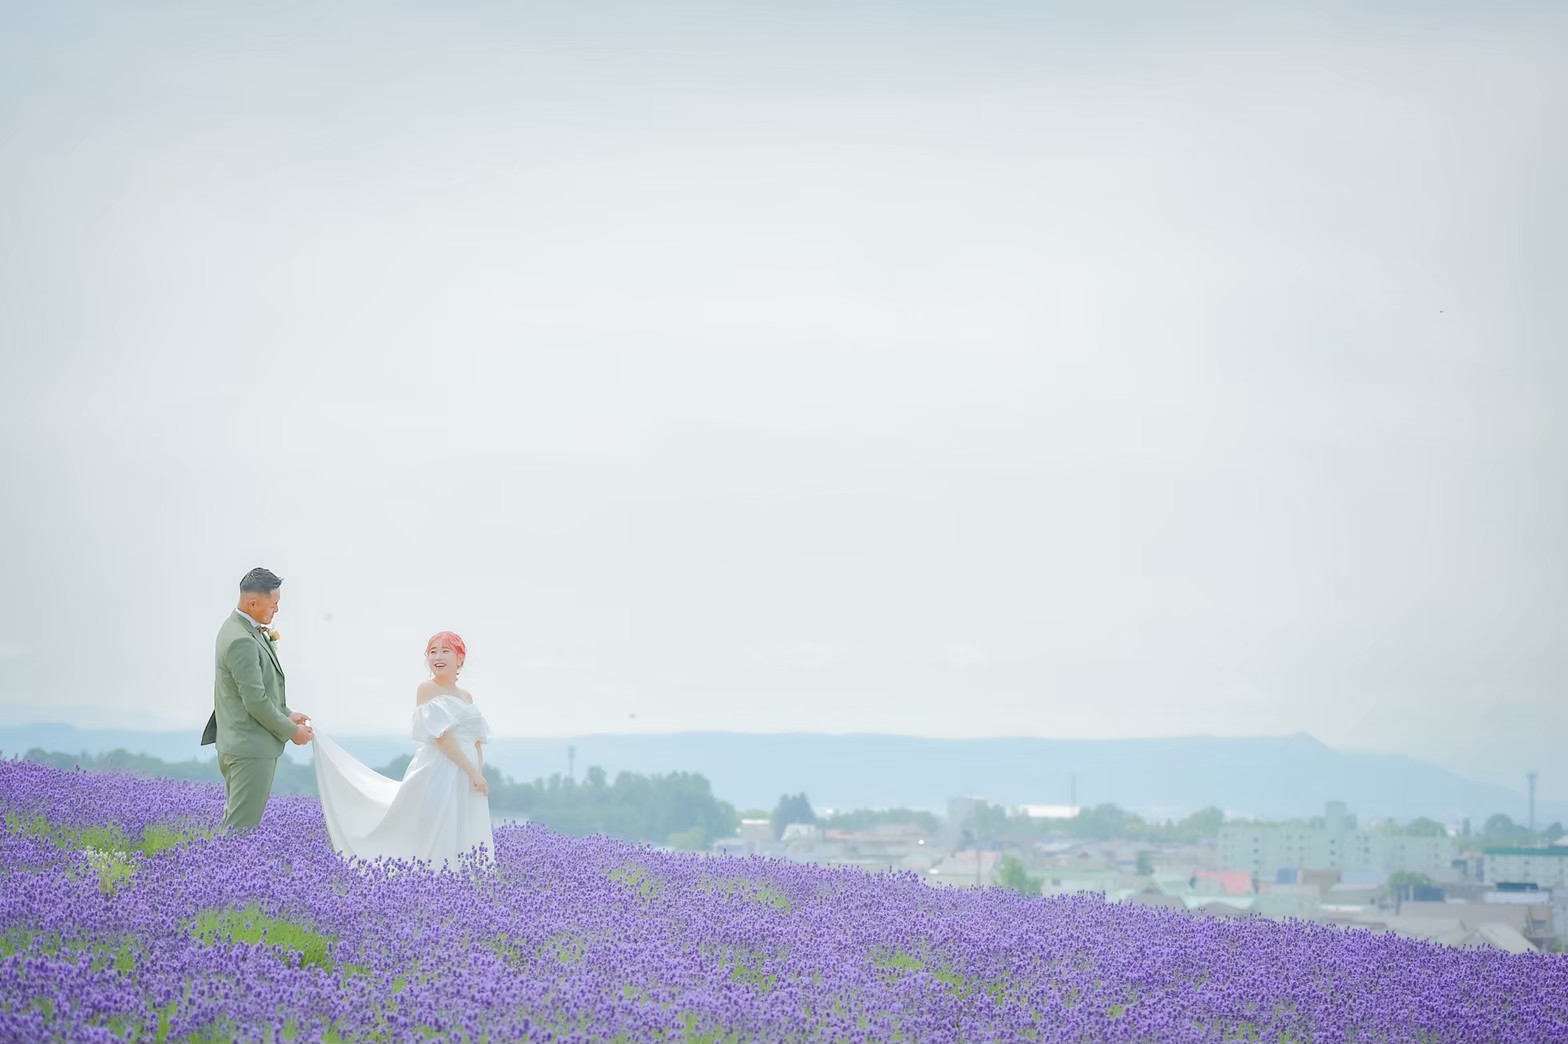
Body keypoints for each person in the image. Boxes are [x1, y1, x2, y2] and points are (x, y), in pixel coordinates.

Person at [311, 631, 495, 869]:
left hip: (468, 775)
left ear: (460, 658)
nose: (437, 656)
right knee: (439, 827)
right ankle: (430, 882)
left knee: (464, 828)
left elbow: (477, 739)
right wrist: (473, 772)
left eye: (445, 651)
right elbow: (443, 738)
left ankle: (461, 886)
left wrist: (477, 772)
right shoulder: (427, 689)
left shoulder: (467, 696)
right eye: (432, 652)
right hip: (439, 771)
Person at [201, 567, 313, 832]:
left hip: (237, 743)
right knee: (240, 831)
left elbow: (254, 690)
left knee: (235, 825)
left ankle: (216, 870)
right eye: (274, 605)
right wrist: (291, 731)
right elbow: (255, 701)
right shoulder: (242, 640)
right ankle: (217, 872)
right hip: (249, 748)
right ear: (252, 603)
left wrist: (286, 712)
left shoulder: (236, 627)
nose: (276, 611)